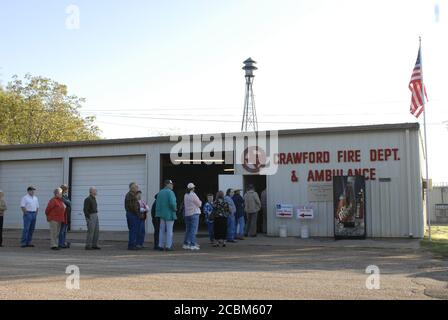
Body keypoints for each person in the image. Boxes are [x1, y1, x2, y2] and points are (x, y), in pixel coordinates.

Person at [156, 179, 177, 251]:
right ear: (167, 184)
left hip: (161, 214)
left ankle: (160, 245)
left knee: (161, 230)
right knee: (169, 231)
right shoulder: (170, 192)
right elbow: (172, 203)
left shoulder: (160, 192)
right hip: (169, 214)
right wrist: (175, 209)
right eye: (171, 184)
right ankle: (168, 246)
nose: (172, 186)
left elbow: (157, 204)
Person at [183, 183, 202, 250]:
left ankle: (186, 243)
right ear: (193, 188)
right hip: (194, 213)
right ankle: (192, 244)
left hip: (187, 214)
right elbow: (199, 204)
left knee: (188, 229)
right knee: (193, 230)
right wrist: (200, 201)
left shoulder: (185, 195)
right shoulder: (193, 195)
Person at [125, 182, 141, 250]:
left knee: (133, 230)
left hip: (132, 214)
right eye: (136, 187)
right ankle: (131, 245)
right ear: (132, 188)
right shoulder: (131, 195)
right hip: (132, 214)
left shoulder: (132, 195)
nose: (137, 188)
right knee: (133, 230)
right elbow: (133, 207)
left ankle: (132, 244)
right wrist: (138, 214)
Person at [58, 184, 71, 249]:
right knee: (62, 231)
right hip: (63, 216)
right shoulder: (61, 197)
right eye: (66, 189)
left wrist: (68, 202)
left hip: (67, 215)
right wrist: (68, 202)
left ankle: (63, 243)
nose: (67, 190)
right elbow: (68, 203)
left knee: (64, 231)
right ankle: (61, 243)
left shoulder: (65, 196)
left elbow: (69, 203)